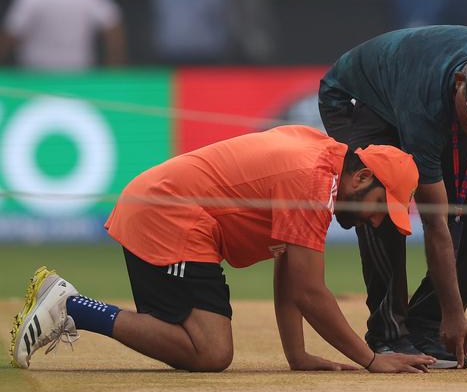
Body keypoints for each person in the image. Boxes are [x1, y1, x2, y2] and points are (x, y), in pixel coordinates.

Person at [10, 125, 435, 373]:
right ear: (361, 179)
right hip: (168, 217)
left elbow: (289, 266)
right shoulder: (314, 180)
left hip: (166, 214)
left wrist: (297, 353)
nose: (377, 221)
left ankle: (72, 307)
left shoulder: (324, 162)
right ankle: (72, 308)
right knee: (210, 352)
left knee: (198, 345)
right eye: (381, 207)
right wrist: (370, 359)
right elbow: (309, 291)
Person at [319, 26, 467, 369]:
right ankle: (388, 333)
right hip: (360, 100)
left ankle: (426, 325)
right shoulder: (425, 107)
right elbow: (435, 222)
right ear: (461, 81)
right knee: (380, 193)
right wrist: (455, 312)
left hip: (429, 92)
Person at [0, 0, 126, 70]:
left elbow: (11, 33)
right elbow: (113, 27)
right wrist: (114, 67)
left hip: (40, 73)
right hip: (74, 72)